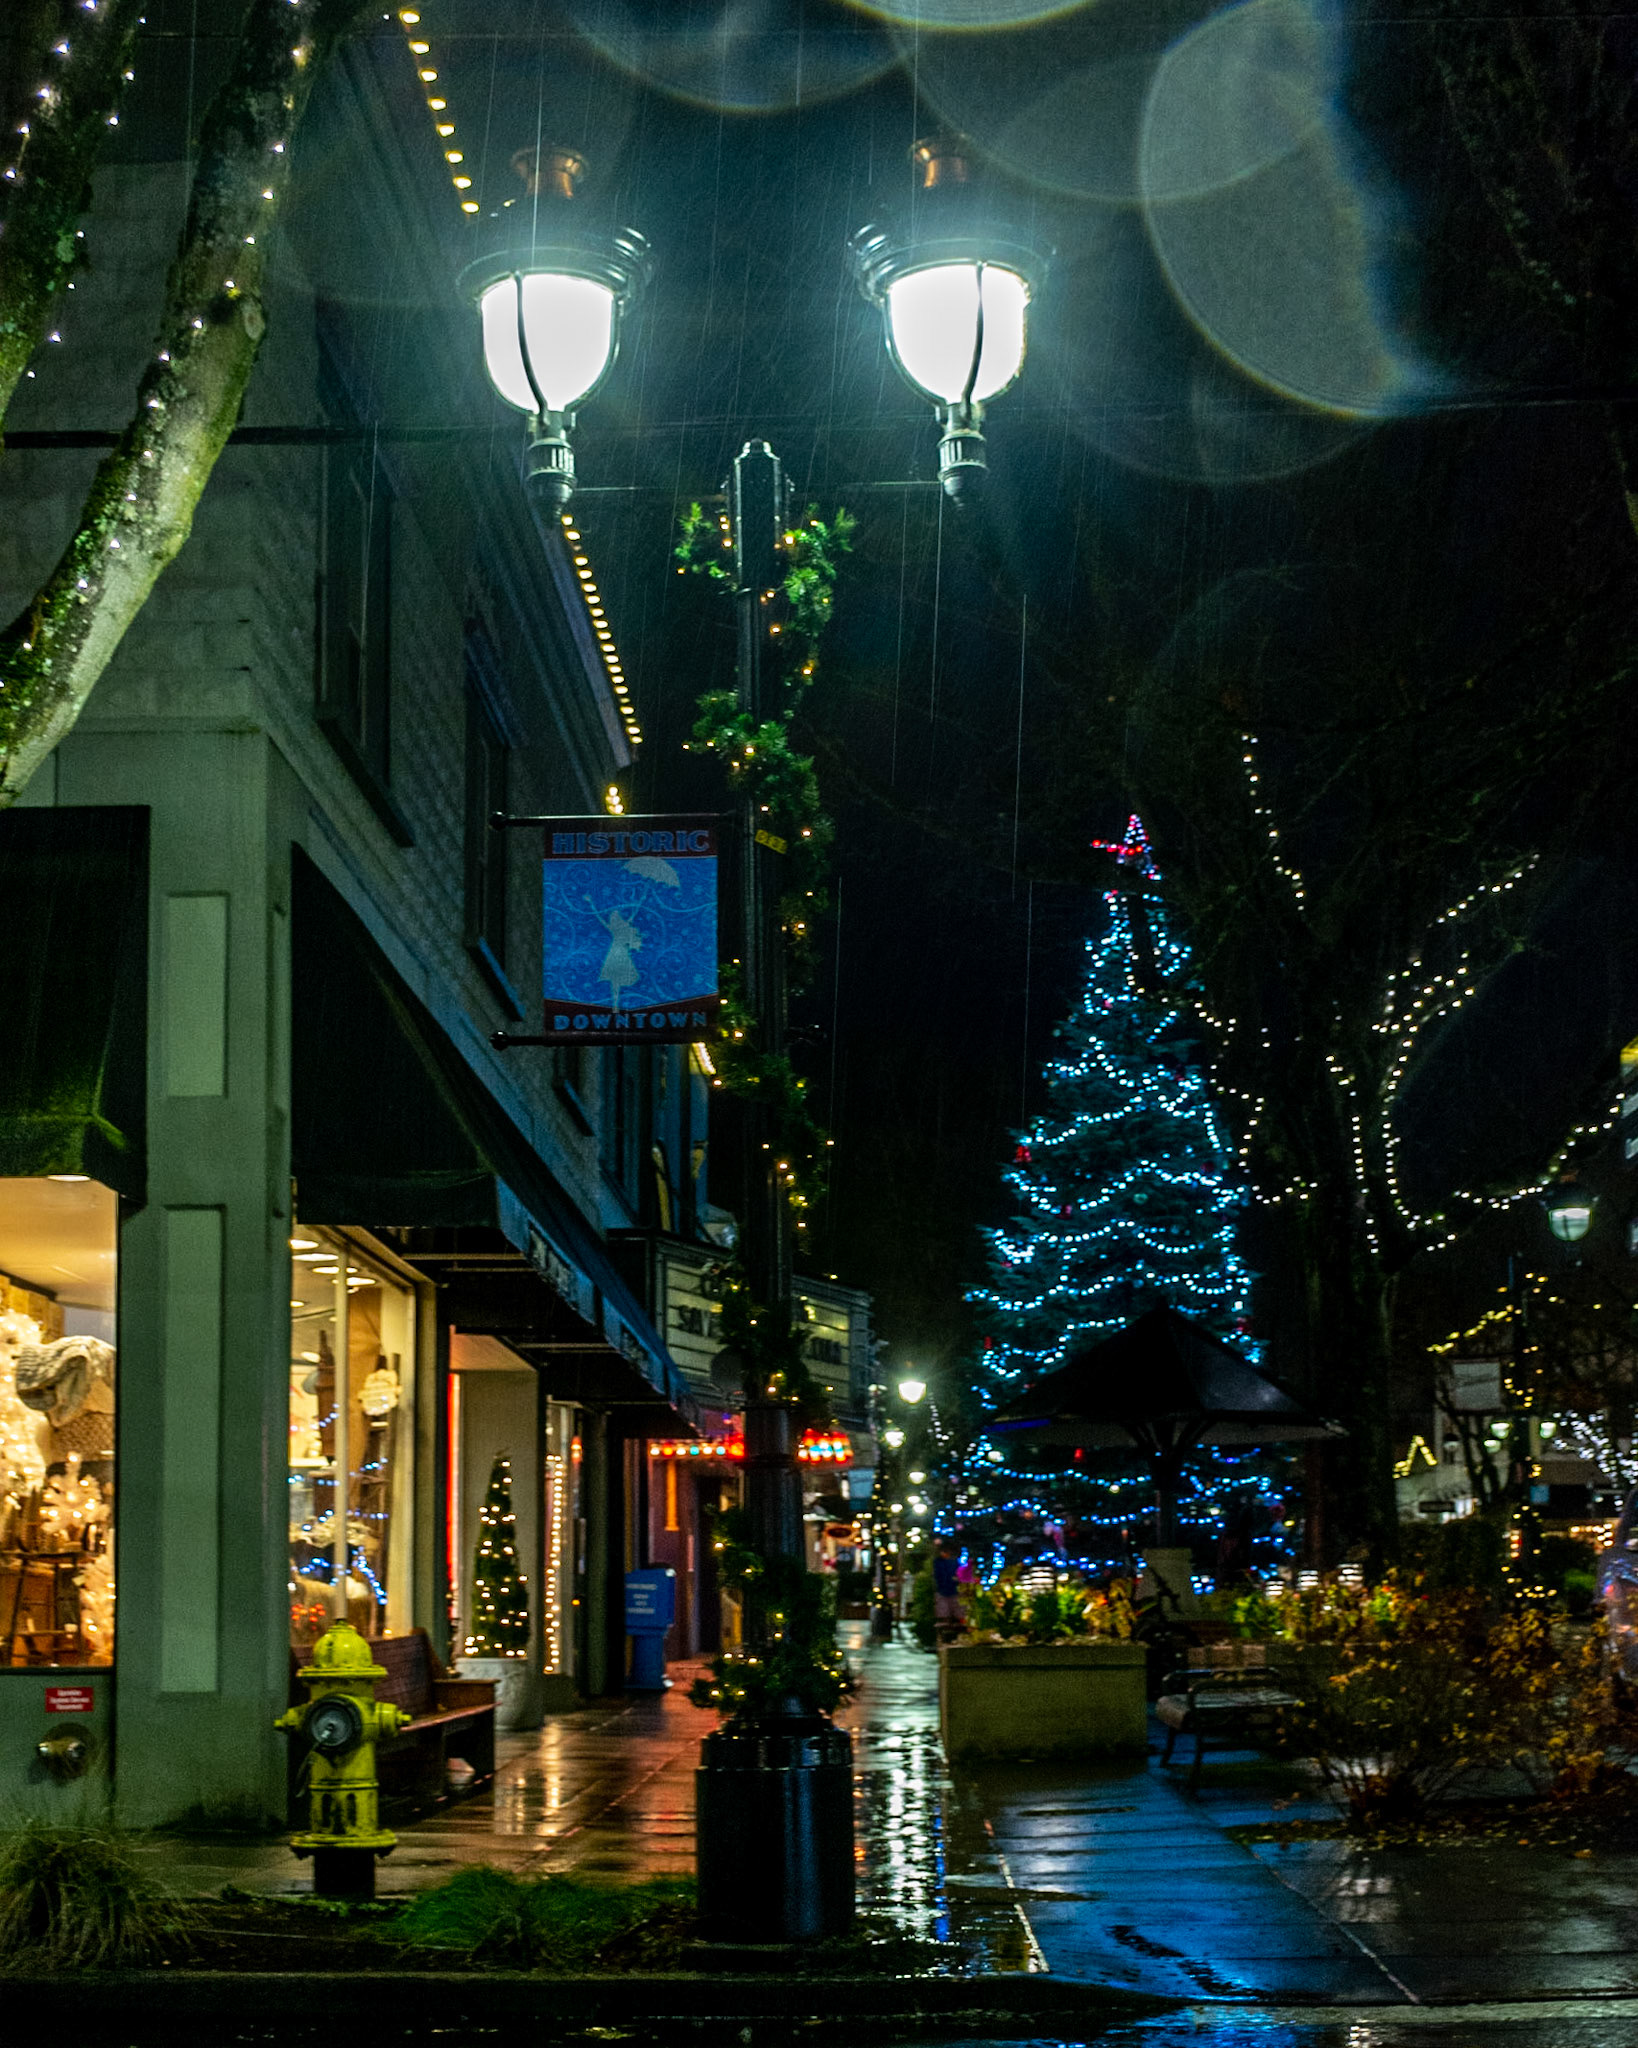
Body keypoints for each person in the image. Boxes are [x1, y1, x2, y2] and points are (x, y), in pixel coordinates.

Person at [932, 1538, 964, 1636]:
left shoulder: (950, 1562)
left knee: (952, 1608)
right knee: (946, 1609)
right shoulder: (940, 1562)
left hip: (950, 1589)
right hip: (945, 1589)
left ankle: (953, 1624)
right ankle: (947, 1626)